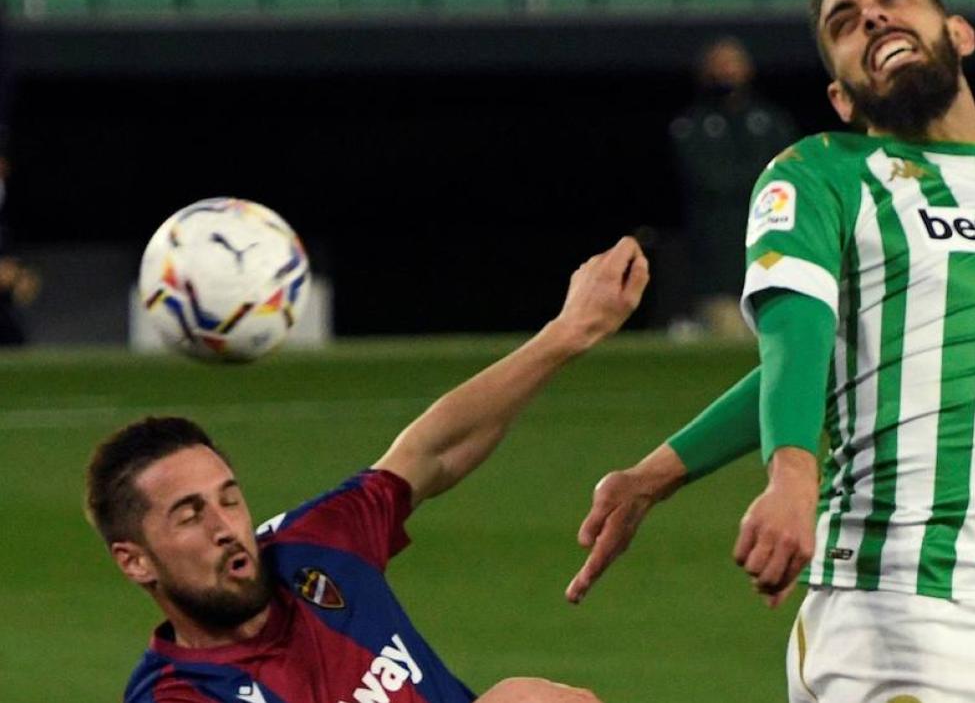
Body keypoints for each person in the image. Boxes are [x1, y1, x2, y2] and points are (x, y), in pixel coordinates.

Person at [566, 0, 975, 703]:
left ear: (957, 33)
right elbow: (798, 332)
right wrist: (791, 471)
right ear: (841, 97)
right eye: (845, 23)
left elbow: (837, 358)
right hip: (896, 611)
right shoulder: (819, 174)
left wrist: (652, 477)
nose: (873, 18)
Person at [86, 237, 649, 702]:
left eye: (228, 498)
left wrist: (568, 332)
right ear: (135, 560)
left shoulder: (312, 550)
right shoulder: (177, 695)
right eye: (189, 515)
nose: (224, 525)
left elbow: (432, 451)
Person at [669, 37, 798, 339]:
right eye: (719, 65)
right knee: (727, 336)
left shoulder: (772, 121)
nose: (726, 72)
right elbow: (709, 179)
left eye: (732, 64)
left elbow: (787, 177)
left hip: (772, 255)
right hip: (717, 264)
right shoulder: (691, 125)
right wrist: (757, 178)